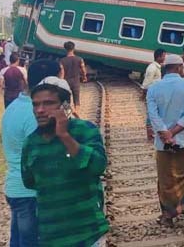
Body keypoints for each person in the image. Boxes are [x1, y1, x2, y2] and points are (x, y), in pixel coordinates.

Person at [21, 76, 108, 246]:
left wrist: (64, 136)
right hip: (50, 235)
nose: (40, 110)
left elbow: (98, 166)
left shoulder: (84, 130)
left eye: (48, 103)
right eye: (36, 104)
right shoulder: (31, 142)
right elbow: (29, 181)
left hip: (87, 233)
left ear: (64, 106)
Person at [1, 59, 59, 247]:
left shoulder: (15, 106)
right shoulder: (35, 115)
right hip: (31, 193)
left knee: (19, 241)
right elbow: (42, 158)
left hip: (16, 188)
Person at [146, 54, 184, 227]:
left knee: (165, 177)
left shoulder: (154, 88)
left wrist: (164, 133)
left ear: (165, 68)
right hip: (182, 139)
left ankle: (168, 216)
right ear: (178, 68)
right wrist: (174, 131)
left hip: (162, 142)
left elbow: (152, 115)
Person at [142, 49, 166, 141]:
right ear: (159, 57)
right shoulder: (152, 68)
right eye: (163, 56)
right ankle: (150, 134)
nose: (164, 58)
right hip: (152, 94)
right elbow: (146, 83)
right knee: (151, 114)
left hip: (157, 94)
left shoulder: (157, 67)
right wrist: (145, 94)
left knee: (156, 113)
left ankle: (154, 133)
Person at [58, 41, 87, 113]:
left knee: (65, 100)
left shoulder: (62, 61)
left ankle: (68, 115)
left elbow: (62, 73)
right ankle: (76, 114)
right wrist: (84, 77)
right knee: (76, 100)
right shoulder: (80, 59)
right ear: (74, 48)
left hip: (66, 82)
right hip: (76, 82)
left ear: (65, 49)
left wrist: (60, 82)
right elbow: (83, 70)